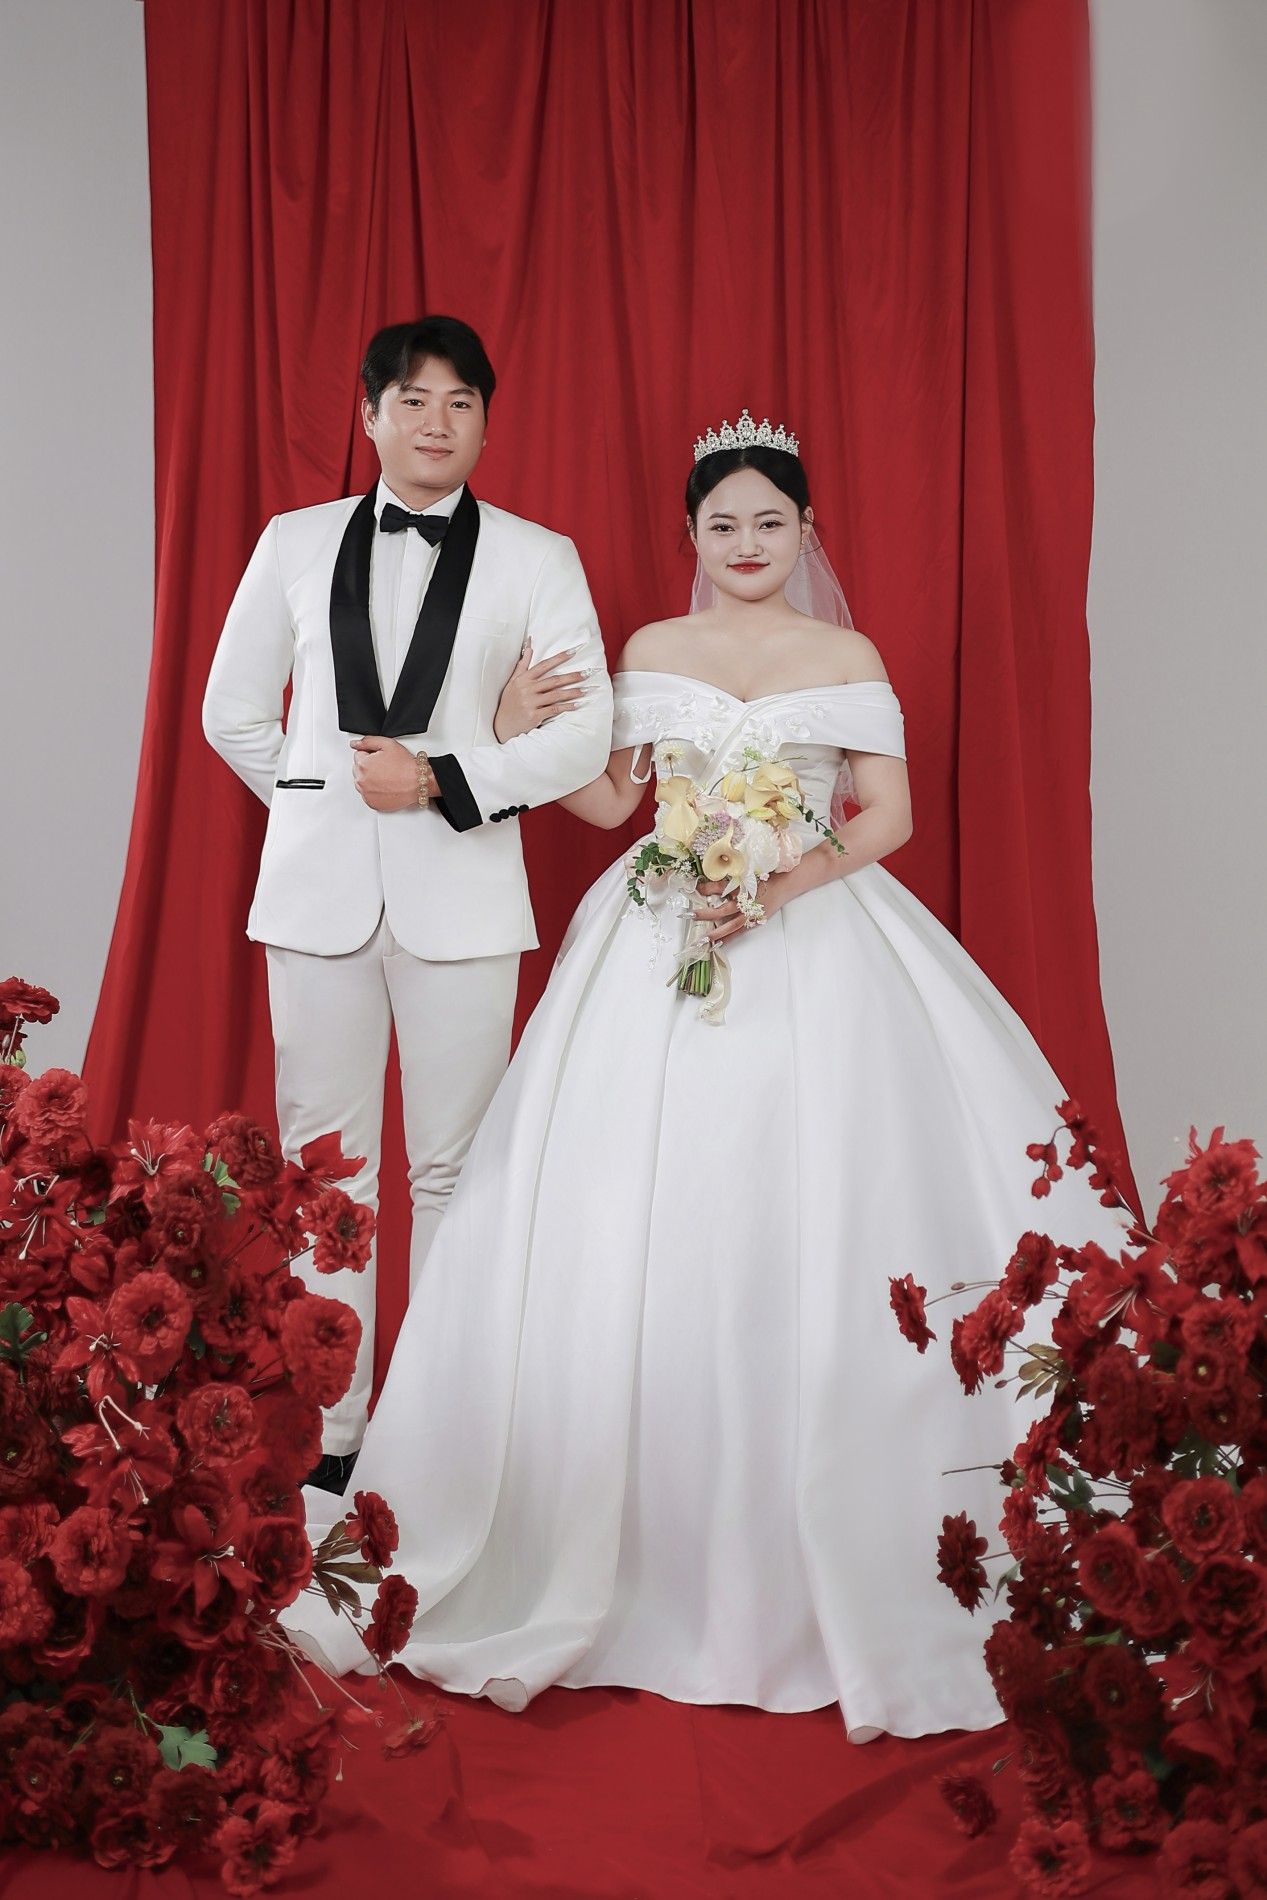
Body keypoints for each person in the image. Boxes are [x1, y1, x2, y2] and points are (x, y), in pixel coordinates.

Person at [284, 413, 1130, 1739]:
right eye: (722, 524)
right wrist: (511, 725)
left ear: (804, 533)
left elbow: (888, 814)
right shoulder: (650, 647)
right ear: (691, 536)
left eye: (767, 522)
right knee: (631, 1205)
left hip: (808, 924)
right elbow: (611, 805)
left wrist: (779, 885)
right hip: (656, 923)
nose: (744, 543)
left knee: (827, 1194)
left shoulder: (844, 655)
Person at [202, 316, 613, 1489]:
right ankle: (330, 1439)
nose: (438, 422)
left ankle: (435, 1434)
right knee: (325, 1172)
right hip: (314, 896)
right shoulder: (292, 541)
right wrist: (321, 801)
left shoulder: (537, 557)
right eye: (414, 400)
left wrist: (441, 780)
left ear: (486, 421)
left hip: (465, 894)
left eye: (461, 403)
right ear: (370, 415)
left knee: (455, 1173)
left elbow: (584, 734)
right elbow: (232, 711)